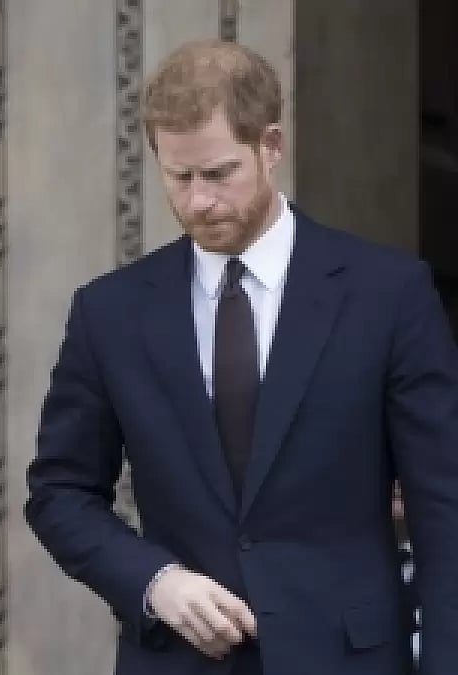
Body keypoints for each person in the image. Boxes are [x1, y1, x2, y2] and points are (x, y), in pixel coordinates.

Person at [25, 39, 458, 675]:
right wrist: (155, 582)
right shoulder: (109, 313)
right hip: (179, 660)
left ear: (271, 146)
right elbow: (59, 492)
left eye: (218, 173)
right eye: (179, 177)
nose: (199, 201)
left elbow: (443, 504)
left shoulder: (388, 295)